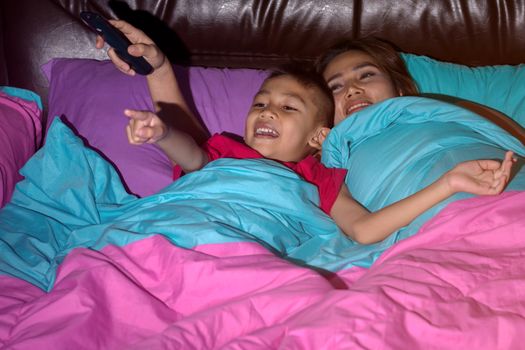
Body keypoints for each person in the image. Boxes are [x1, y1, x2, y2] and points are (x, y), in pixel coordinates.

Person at [97, 21, 515, 245]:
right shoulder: (229, 151)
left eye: (287, 107)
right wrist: (161, 130)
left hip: (235, 252)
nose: (267, 111)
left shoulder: (321, 177)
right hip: (175, 229)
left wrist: (448, 183)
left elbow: (364, 229)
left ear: (319, 134)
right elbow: (189, 153)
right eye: (260, 103)